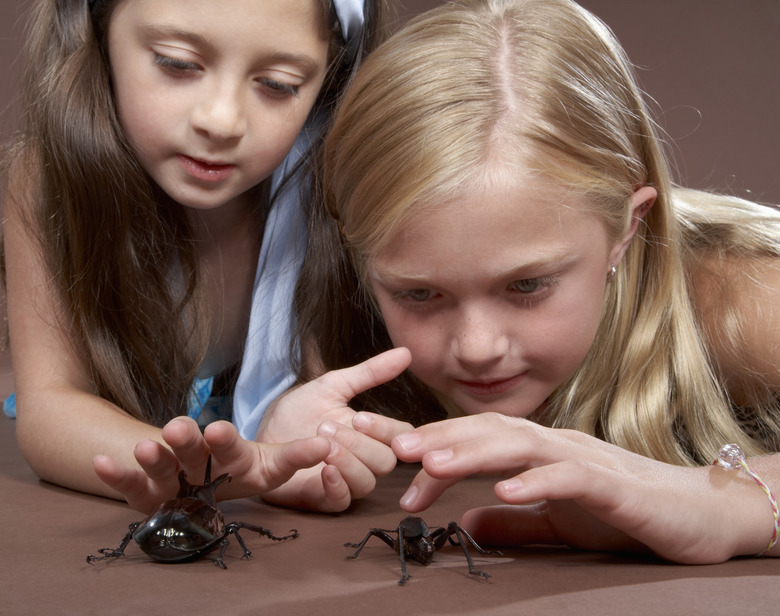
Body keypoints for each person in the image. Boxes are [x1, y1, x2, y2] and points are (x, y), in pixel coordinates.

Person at [277, 0, 779, 562]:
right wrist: (284, 448)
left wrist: (724, 506)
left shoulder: (749, 300)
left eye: (527, 286)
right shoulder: (351, 332)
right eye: (419, 294)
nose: (477, 348)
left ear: (625, 227)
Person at [1, 0, 389, 513]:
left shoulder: (334, 193)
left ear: (331, 80)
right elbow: (51, 410)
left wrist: (311, 444)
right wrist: (221, 474)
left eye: (278, 83)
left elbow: (320, 394)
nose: (221, 120)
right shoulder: (46, 181)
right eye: (178, 63)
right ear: (96, 31)